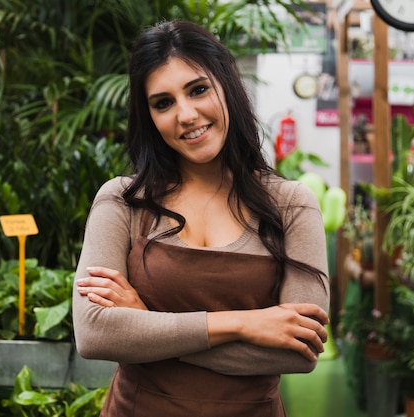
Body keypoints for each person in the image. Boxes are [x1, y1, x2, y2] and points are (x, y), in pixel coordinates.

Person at [72, 20, 330, 417]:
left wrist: (147, 323)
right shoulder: (123, 201)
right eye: (163, 103)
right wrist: (243, 325)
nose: (186, 114)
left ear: (226, 85)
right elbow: (94, 334)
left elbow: (301, 351)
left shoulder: (292, 205)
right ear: (150, 118)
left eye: (198, 90)